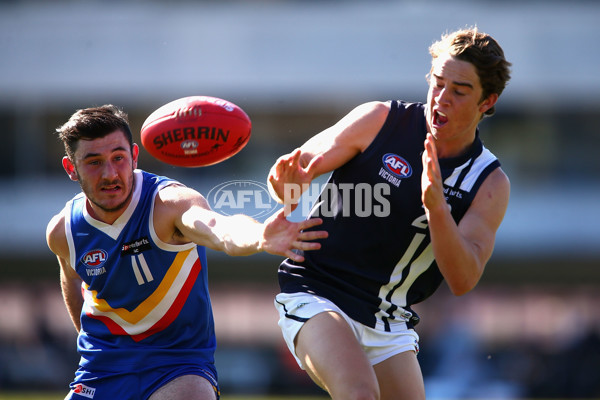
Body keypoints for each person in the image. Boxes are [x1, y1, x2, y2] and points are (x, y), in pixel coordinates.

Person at [268, 27, 512, 400]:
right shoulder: (380, 120)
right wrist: (289, 183)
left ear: (487, 101)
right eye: (437, 83)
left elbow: (463, 278)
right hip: (316, 292)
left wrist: (437, 209)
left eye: (459, 91)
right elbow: (295, 176)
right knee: (360, 393)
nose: (441, 99)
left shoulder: (489, 183)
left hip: (388, 319)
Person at [46, 104, 327, 400]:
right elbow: (71, 277)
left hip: (178, 366)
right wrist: (91, 342)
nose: (110, 173)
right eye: (94, 162)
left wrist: (260, 235)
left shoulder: (169, 204)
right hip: (101, 370)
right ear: (71, 169)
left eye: (118, 158)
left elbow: (218, 227)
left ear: (134, 156)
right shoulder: (63, 231)